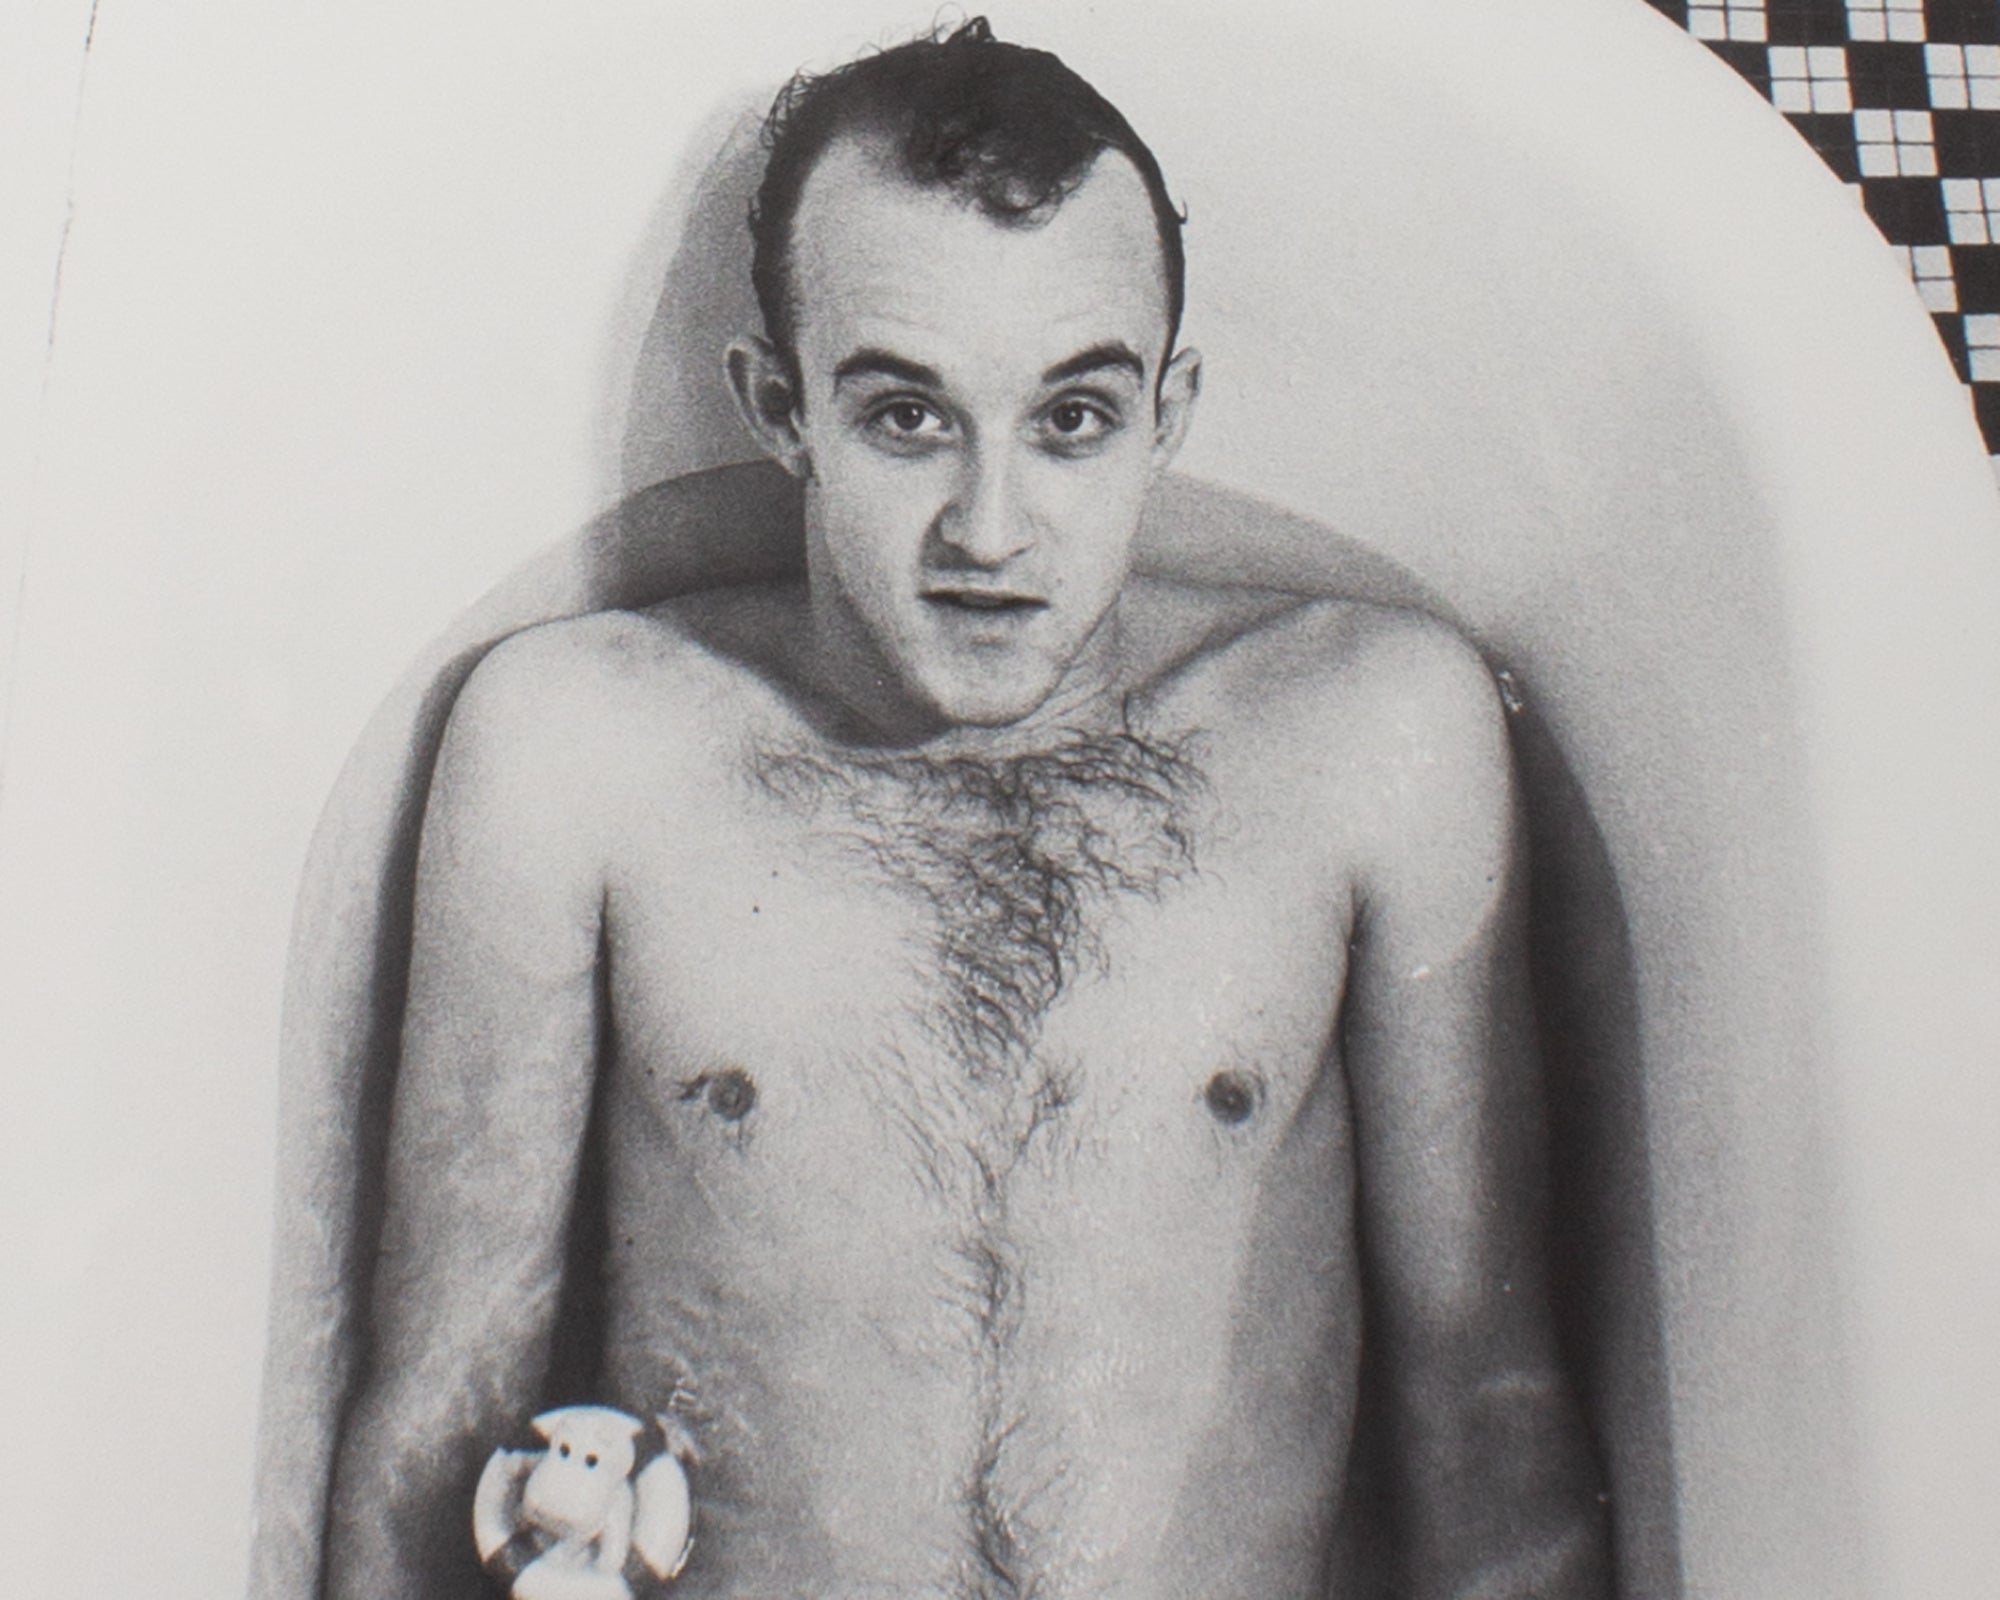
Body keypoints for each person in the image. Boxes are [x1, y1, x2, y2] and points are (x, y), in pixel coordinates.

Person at [325, 18, 1610, 1598]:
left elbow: (1487, 1403)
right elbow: (445, 1409)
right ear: (780, 408)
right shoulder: (577, 748)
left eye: (1071, 419)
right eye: (908, 418)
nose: (991, 531)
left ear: (1168, 414)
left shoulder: (1367, 737)